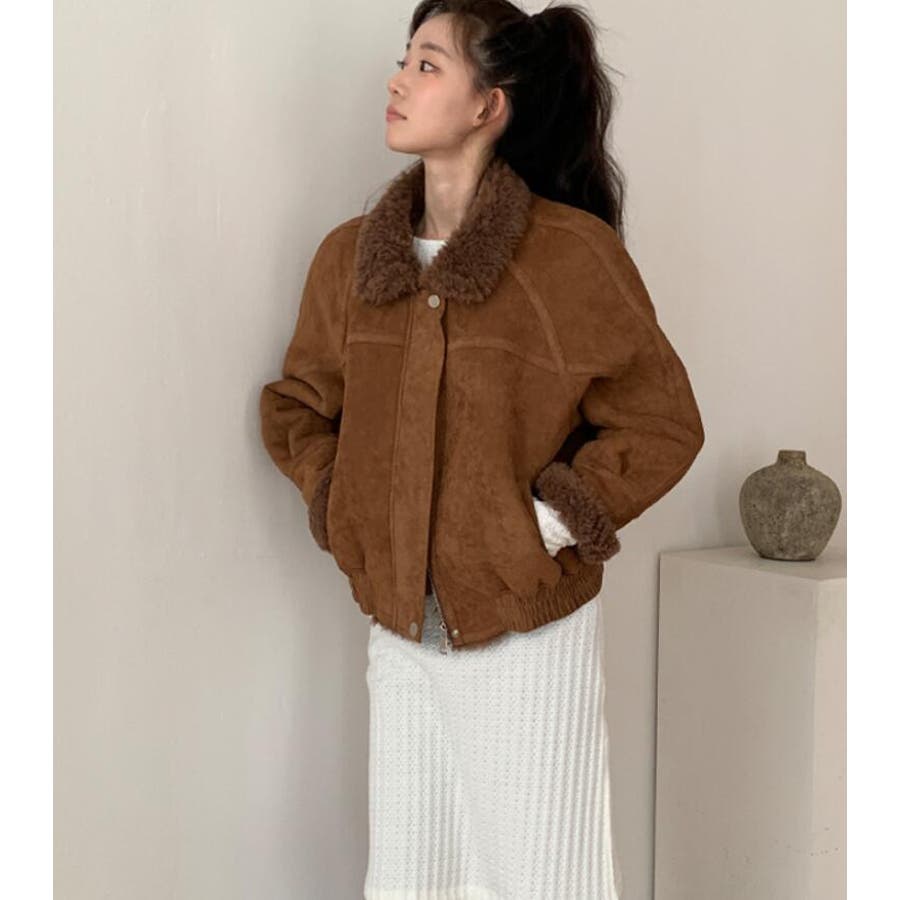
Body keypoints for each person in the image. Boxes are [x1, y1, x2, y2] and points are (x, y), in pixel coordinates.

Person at [259, 1, 705, 897]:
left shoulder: (569, 256)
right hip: (399, 633)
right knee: (412, 881)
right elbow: (298, 405)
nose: (397, 80)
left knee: (542, 877)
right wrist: (345, 503)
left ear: (487, 105)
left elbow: (661, 422)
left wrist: (541, 523)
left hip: (522, 629)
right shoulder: (351, 260)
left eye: (428, 64)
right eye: (405, 59)